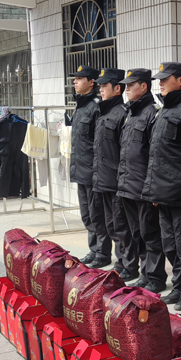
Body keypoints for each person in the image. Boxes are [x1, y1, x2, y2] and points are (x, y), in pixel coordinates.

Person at [143, 62, 181, 310]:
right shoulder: (163, 110)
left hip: (180, 192)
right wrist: (153, 189)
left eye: (165, 79)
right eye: (159, 79)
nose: (160, 83)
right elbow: (156, 154)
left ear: (180, 81)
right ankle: (179, 287)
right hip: (162, 192)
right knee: (169, 244)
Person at [117, 69, 168, 291]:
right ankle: (146, 274)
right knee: (136, 233)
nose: (126, 89)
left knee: (150, 234)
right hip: (127, 185)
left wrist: (151, 187)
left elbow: (154, 155)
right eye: (126, 86)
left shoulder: (152, 113)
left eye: (131, 85)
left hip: (143, 188)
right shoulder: (131, 112)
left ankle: (155, 277)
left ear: (144, 86)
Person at [91, 68, 139, 282]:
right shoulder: (103, 112)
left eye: (104, 86)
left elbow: (124, 150)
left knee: (123, 226)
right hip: (103, 180)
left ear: (117, 88)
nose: (100, 89)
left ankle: (129, 265)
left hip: (117, 181)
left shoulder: (122, 113)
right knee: (111, 225)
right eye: (100, 86)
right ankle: (121, 262)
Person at [69, 65, 113, 268]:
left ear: (91, 82)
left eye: (79, 78)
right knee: (87, 215)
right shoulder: (80, 106)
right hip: (80, 169)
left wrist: (97, 171)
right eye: (75, 79)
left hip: (93, 171)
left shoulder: (96, 106)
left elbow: (99, 143)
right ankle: (94, 249)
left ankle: (102, 253)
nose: (75, 82)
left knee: (97, 215)